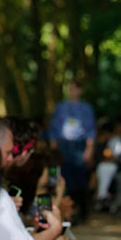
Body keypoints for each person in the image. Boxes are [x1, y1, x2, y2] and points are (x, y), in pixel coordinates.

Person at [47, 78, 96, 221]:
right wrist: (53, 148)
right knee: (65, 179)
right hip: (64, 145)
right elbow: (54, 128)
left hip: (80, 145)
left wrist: (89, 149)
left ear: (80, 90)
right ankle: (69, 212)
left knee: (80, 179)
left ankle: (83, 211)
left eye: (75, 88)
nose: (73, 91)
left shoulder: (86, 108)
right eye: (71, 88)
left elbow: (91, 130)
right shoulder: (61, 107)